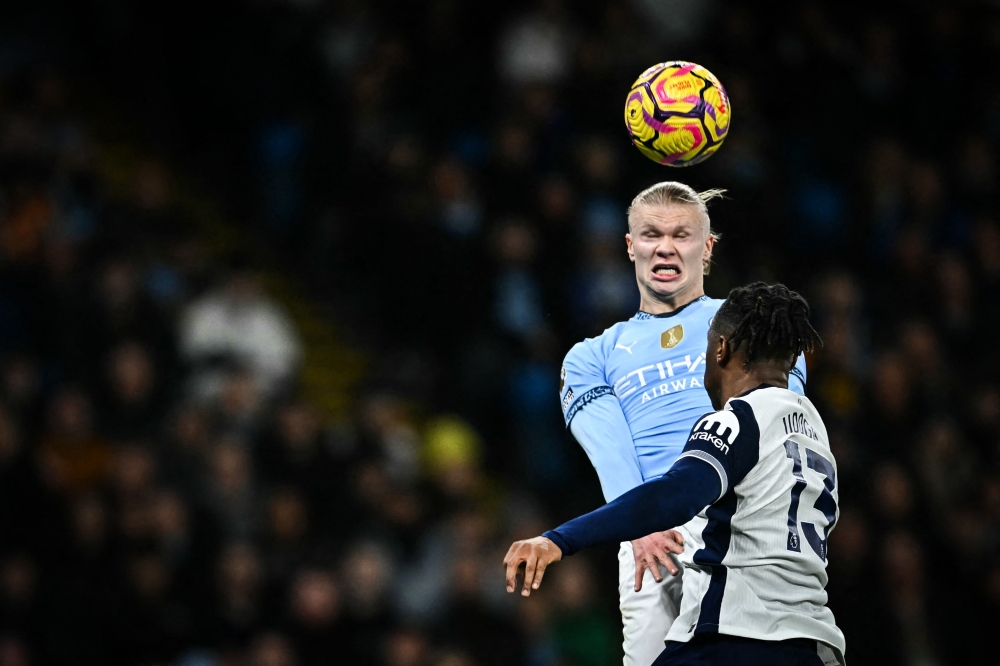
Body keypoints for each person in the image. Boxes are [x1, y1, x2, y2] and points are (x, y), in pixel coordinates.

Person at [506, 283, 845, 666]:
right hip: (814, 644)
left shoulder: (738, 421)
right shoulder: (814, 431)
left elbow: (670, 496)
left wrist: (559, 540)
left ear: (721, 349)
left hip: (738, 639)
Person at [559, 182, 808, 665]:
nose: (666, 247)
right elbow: (609, 450)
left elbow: (781, 416)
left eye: (682, 234)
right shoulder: (591, 356)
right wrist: (641, 524)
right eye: (651, 234)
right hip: (647, 539)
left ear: (708, 247)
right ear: (630, 246)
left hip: (739, 524)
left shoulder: (750, 326)